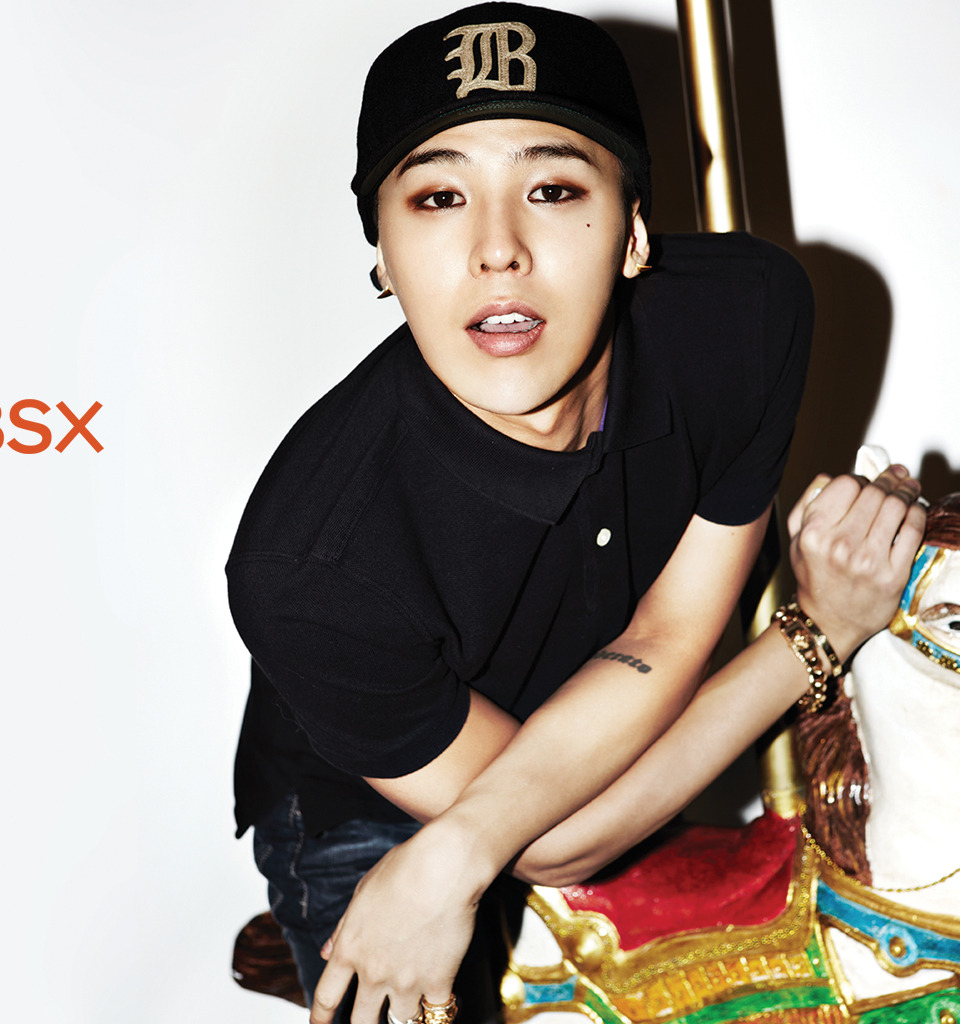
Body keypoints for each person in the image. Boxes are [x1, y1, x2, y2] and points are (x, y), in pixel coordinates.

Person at [226, 5, 926, 1024]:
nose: (497, 250)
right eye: (438, 197)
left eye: (551, 190)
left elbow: (666, 633)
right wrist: (820, 629)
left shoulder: (744, 321)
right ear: (382, 253)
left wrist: (458, 855)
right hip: (369, 798)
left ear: (634, 230)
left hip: (610, 722)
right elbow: (559, 839)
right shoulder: (309, 563)